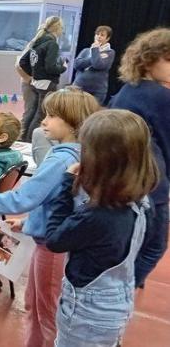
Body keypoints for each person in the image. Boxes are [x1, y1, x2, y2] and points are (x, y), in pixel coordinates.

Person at [0, 87, 100, 347]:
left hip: (52, 248)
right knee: (36, 303)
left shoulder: (62, 158)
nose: (43, 121)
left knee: (47, 312)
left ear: (72, 121)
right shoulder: (75, 152)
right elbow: (55, 203)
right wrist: (28, 222)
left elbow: (24, 199)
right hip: (49, 240)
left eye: (52, 116)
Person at [46, 109, 158, 346]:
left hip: (86, 314)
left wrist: (66, 186)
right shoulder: (142, 201)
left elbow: (55, 240)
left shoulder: (97, 216)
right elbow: (149, 245)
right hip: (117, 303)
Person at [110, 28, 170, 287]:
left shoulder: (128, 89)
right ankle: (127, 287)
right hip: (151, 185)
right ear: (148, 60)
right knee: (154, 245)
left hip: (124, 181)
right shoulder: (159, 96)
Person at [19, 16, 67, 141]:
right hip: (47, 84)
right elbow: (51, 67)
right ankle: (30, 141)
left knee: (32, 112)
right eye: (62, 28)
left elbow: (23, 62)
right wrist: (63, 67)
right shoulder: (52, 44)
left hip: (36, 83)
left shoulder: (37, 42)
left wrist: (34, 73)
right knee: (41, 115)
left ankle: (23, 138)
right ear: (57, 28)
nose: (62, 31)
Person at [73, 25, 115, 104]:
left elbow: (97, 65)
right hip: (78, 87)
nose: (98, 37)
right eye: (97, 34)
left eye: (102, 35)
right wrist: (93, 58)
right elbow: (76, 65)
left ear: (108, 38)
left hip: (96, 92)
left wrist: (95, 49)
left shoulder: (110, 52)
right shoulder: (85, 50)